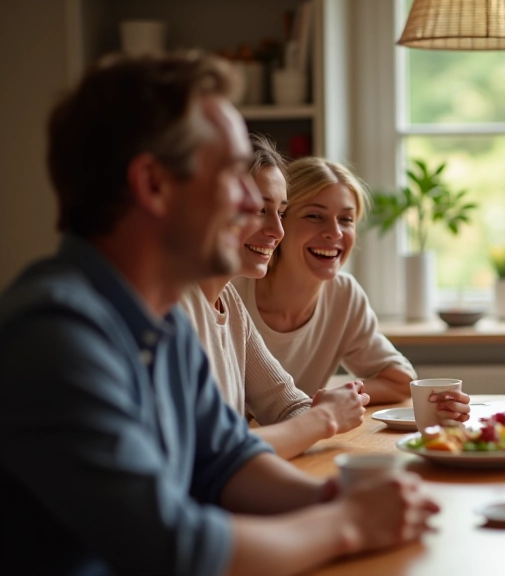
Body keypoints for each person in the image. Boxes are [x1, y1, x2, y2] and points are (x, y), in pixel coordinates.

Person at [0, 53, 437, 576]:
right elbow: (171, 547)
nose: (252, 208)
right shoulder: (55, 335)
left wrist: (334, 496)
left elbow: (227, 464)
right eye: (232, 175)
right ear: (153, 185)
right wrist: (348, 522)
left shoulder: (159, 322)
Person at [178, 133, 369, 460]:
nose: (277, 232)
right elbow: (214, 454)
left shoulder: (230, 305)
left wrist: (323, 412)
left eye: (280, 212)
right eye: (258, 210)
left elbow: (287, 405)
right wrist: (323, 417)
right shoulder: (178, 307)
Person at [235, 157, 470, 420]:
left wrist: (321, 402)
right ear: (281, 221)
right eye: (315, 216)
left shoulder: (343, 295)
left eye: (346, 219)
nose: (334, 232)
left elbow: (399, 379)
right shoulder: (229, 292)